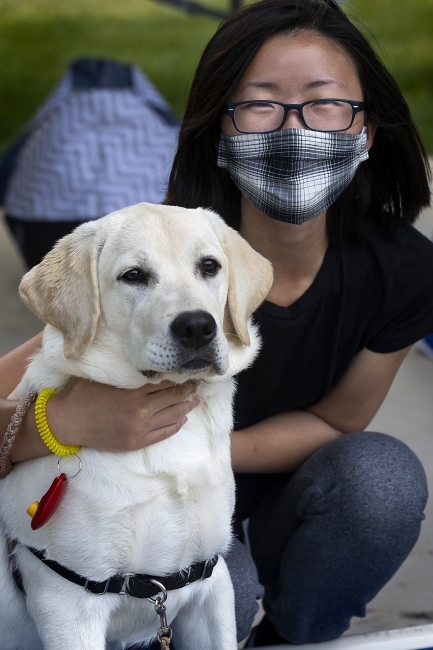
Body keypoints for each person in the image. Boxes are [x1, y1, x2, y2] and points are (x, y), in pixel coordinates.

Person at [1, 0, 433, 646]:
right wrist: (59, 424)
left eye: (324, 102)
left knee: (380, 480)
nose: (295, 129)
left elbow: (338, 421)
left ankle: (293, 636)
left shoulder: (399, 268)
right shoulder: (159, 251)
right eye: (261, 102)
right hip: (148, 517)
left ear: (365, 132)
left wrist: (184, 448)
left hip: (275, 496)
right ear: (219, 133)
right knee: (207, 601)